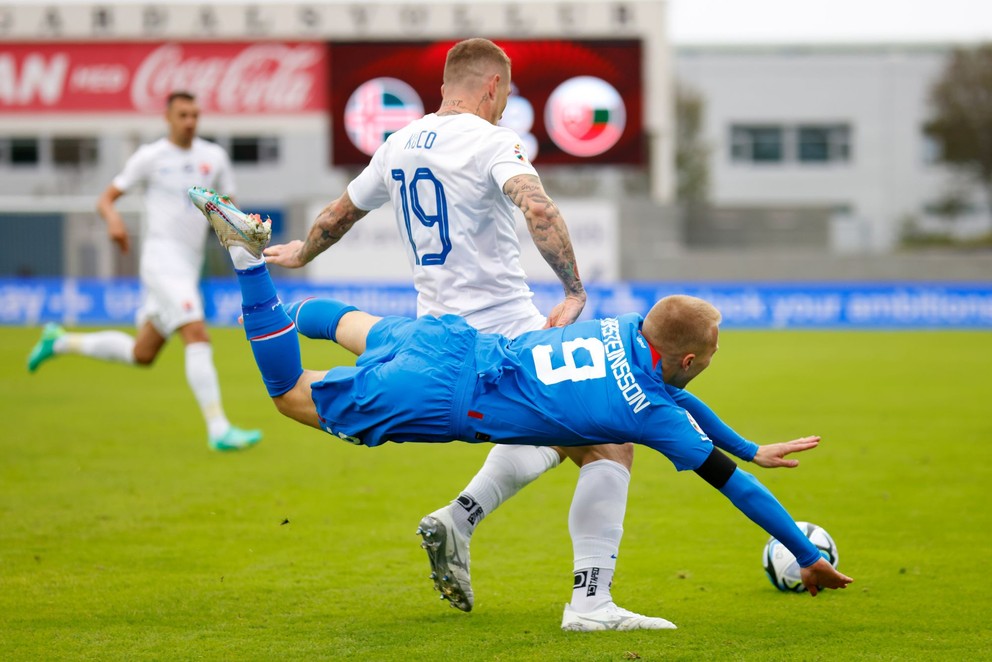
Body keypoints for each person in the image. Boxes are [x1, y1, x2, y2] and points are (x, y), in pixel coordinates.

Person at [189, 187, 854, 629]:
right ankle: (249, 265)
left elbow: (685, 402)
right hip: (446, 398)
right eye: (707, 355)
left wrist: (750, 445)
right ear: (685, 359)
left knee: (345, 323)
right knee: (290, 396)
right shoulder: (650, 411)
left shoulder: (626, 328)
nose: (707, 363)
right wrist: (801, 548)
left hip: (451, 341)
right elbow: (735, 489)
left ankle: (280, 293)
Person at [262, 37, 652, 630]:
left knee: (552, 433)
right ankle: (590, 603)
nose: (505, 105)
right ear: (492, 87)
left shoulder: (396, 144)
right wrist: (574, 290)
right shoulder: (491, 140)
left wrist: (301, 251)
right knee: (610, 442)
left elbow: (337, 215)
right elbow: (539, 210)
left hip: (435, 339)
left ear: (447, 85)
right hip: (507, 337)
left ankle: (461, 518)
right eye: (507, 94)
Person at [26, 91, 262, 452]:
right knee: (197, 333)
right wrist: (114, 220)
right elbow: (105, 198)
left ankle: (57, 341)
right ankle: (218, 428)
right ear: (168, 118)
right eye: (183, 115)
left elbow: (227, 206)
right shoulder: (151, 157)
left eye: (195, 115)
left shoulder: (213, 157)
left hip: (187, 264)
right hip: (160, 260)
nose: (190, 121)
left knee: (143, 353)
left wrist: (246, 225)